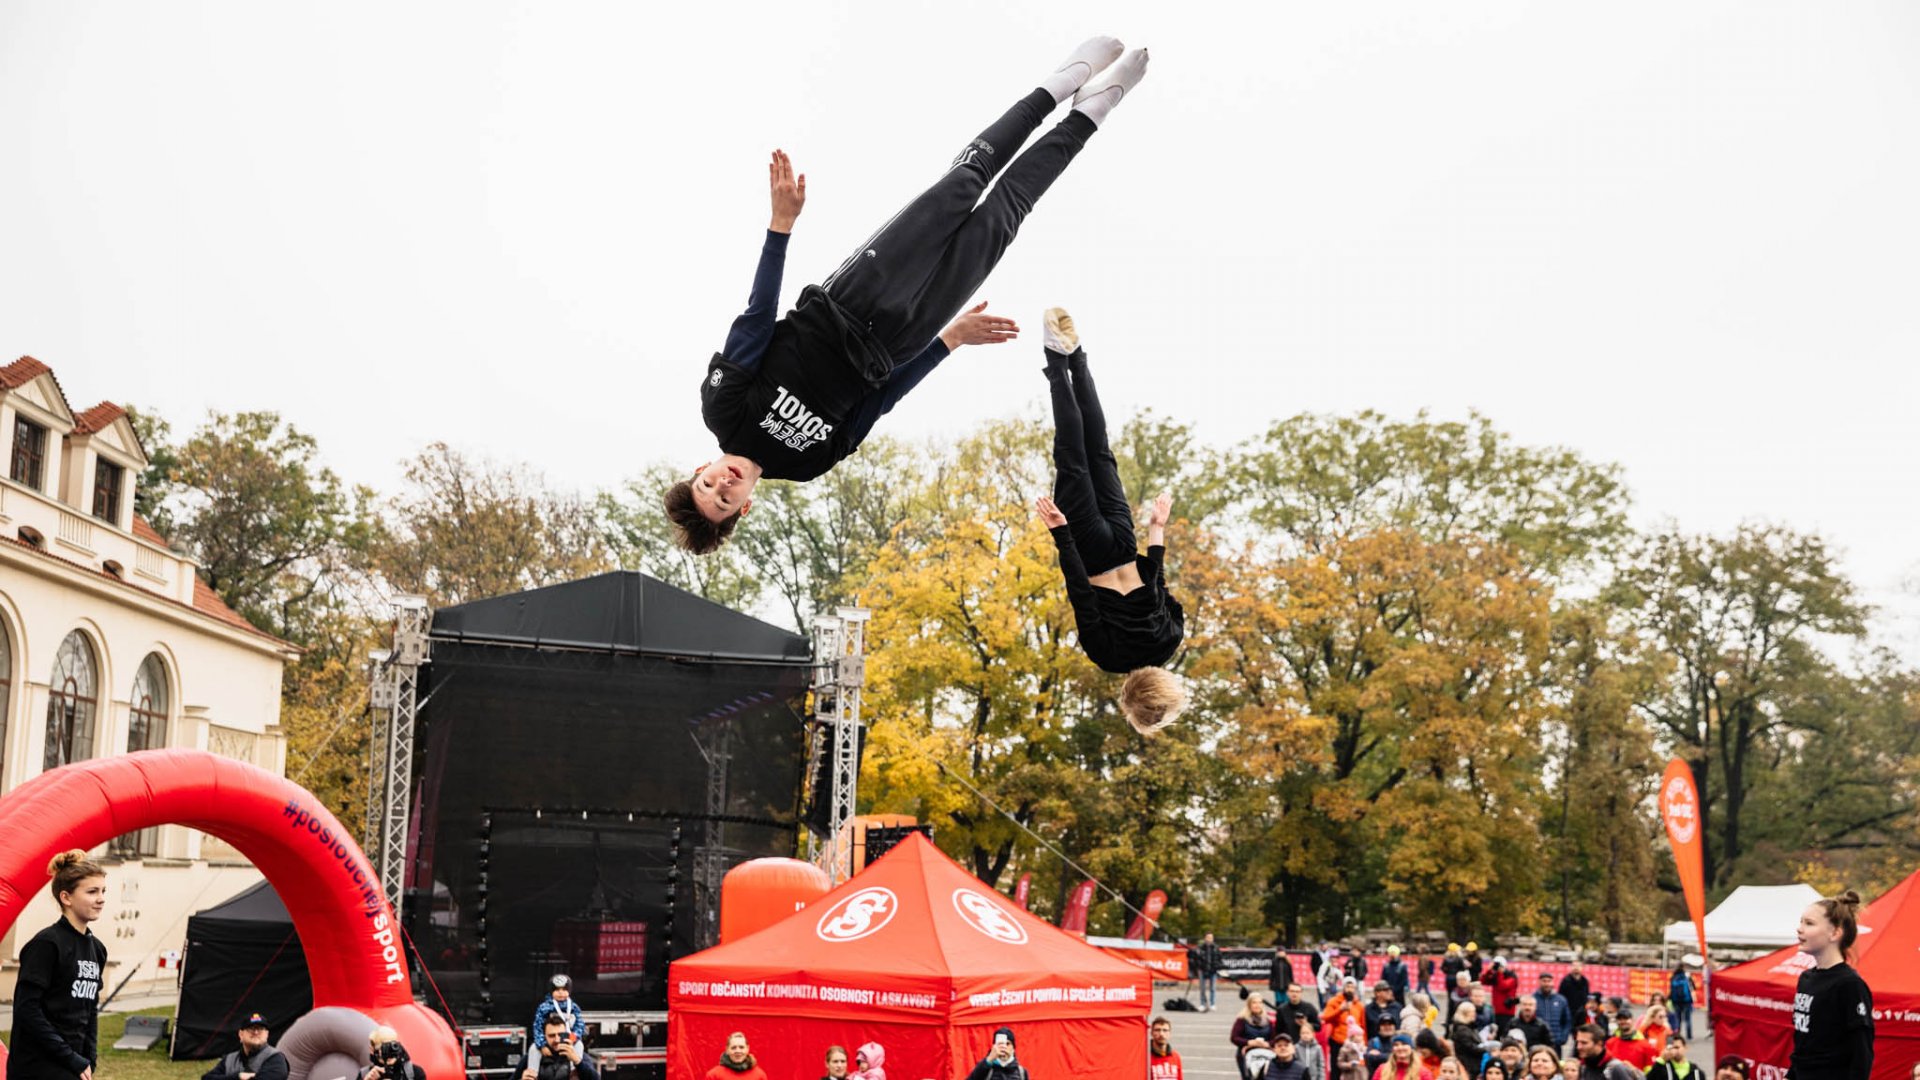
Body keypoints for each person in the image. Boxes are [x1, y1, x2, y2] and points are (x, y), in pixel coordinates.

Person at [673, 38, 1151, 553]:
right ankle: (1094, 112)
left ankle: (1058, 86)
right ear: (744, 505)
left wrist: (780, 227)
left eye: (708, 483)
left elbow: (758, 315)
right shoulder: (805, 465)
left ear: (704, 467)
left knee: (966, 181)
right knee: (1002, 217)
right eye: (724, 500)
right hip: (906, 336)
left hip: (854, 297)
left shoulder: (723, 411)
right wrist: (949, 341)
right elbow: (881, 399)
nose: (722, 485)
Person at [1033, 308, 1188, 694]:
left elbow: (1158, 583)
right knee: (1073, 453)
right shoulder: (1106, 656)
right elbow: (1080, 592)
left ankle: (1078, 357)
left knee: (1099, 451)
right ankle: (1056, 359)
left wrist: (1156, 528)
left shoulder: (1171, 640)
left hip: (1123, 541)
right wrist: (1061, 534)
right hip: (1089, 547)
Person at [7, 850, 108, 1080]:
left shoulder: (98, 949)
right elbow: (27, 1010)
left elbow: (89, 1009)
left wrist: (89, 1057)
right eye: (92, 891)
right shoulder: (47, 944)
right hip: (37, 1066)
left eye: (103, 891)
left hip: (73, 1065)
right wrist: (69, 1057)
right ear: (66, 897)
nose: (101, 898)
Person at [1788, 889, 1874, 1080]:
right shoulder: (1806, 979)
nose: (1800, 929)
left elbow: (1862, 1053)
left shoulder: (1850, 985)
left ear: (1835, 933)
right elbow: (1804, 1043)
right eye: (1801, 922)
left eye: (1809, 923)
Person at [202, 1014, 289, 1080]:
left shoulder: (276, 1058)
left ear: (267, 1034)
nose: (255, 1032)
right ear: (241, 1034)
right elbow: (206, 1078)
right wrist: (239, 1076)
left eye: (260, 1029)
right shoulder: (230, 1059)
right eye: (251, 1028)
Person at [522, 1014, 598, 1080]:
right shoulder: (533, 1054)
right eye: (551, 1036)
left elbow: (595, 1078)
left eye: (560, 1034)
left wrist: (577, 1062)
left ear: (567, 1034)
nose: (557, 1040)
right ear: (544, 1037)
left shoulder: (578, 1054)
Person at [531, 974, 587, 1056]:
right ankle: (533, 1069)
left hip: (569, 1039)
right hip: (549, 1041)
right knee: (533, 1049)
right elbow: (537, 1027)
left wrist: (572, 1039)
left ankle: (574, 1067)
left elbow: (579, 1025)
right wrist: (542, 1045)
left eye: (564, 989)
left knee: (579, 1046)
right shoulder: (544, 1007)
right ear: (551, 991)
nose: (561, 993)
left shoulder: (573, 1007)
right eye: (557, 990)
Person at [1234, 994, 1283, 1080]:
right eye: (1254, 1003)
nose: (1257, 1005)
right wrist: (1249, 1042)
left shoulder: (1267, 1020)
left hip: (1265, 1054)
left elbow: (1274, 1038)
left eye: (1260, 1003)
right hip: (1247, 1053)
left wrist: (1267, 1044)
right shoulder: (1242, 1020)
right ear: (1249, 1004)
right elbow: (1234, 1037)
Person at [1573, 1024, 1640, 1080]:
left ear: (1599, 1043)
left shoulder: (1615, 1068)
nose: (1578, 1047)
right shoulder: (1583, 1067)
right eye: (1577, 1042)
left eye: (1584, 1043)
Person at [360, 1027, 427, 1080]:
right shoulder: (365, 1074)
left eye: (393, 1046)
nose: (390, 1052)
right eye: (384, 1048)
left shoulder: (414, 1073)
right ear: (372, 1050)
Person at [1324, 981, 1368, 1058]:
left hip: (1355, 1043)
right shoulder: (1334, 1001)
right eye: (1348, 987)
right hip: (1337, 1040)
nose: (1350, 989)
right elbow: (1326, 1018)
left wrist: (1364, 1042)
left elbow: (1363, 1025)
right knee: (1336, 1067)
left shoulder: (1359, 1005)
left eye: (1352, 987)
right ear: (1343, 988)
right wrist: (1340, 1010)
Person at [965, 1027, 1029, 1080]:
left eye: (1007, 1044)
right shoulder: (984, 1069)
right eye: (1000, 1044)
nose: (1004, 1047)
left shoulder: (1022, 1073)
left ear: (1013, 1048)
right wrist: (989, 1059)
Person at [703, 1032, 768, 1080]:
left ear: (747, 1049)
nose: (738, 1051)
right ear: (727, 1050)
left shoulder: (759, 1076)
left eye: (741, 1047)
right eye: (733, 1048)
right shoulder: (713, 1076)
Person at [1534, 974, 1574, 1051]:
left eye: (1549, 981)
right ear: (1539, 982)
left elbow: (1567, 1021)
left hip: (1556, 1042)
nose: (1546, 984)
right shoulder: (1533, 999)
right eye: (1544, 981)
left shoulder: (1561, 1000)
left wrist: (1563, 1037)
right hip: (1538, 1043)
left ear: (1553, 983)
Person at [1448, 1003, 1486, 1079]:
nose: (1475, 1014)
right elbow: (1470, 1048)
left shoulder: (1469, 1027)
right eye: (1472, 1012)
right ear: (1465, 1014)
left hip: (1472, 1063)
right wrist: (1487, 1049)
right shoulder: (1462, 1030)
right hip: (1468, 1065)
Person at [1194, 932, 1224, 1011]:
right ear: (1205, 938)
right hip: (1202, 970)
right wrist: (1199, 966)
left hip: (1213, 970)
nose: (1209, 939)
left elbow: (1220, 958)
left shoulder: (1216, 948)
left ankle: (1212, 1004)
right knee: (1202, 988)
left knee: (1212, 988)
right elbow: (1195, 958)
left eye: (1211, 938)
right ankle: (1202, 1004)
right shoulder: (1200, 948)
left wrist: (1217, 966)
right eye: (1208, 937)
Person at [1295, 1015, 1329, 1080]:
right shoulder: (1297, 1047)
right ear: (1300, 1034)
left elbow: (1321, 1065)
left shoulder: (1318, 1048)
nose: (1305, 1035)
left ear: (1313, 1034)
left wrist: (1321, 1078)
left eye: (1307, 1033)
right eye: (1303, 1033)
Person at [1666, 968, 1695, 1041]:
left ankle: (1677, 1034)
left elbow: (1671, 990)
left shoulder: (1673, 978)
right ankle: (1689, 1036)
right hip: (1687, 1001)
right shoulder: (1687, 977)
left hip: (1676, 1001)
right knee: (1688, 1019)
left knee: (1678, 1018)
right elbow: (1693, 987)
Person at [1151, 1016, 1184, 1080]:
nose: (1161, 1034)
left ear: (1169, 1033)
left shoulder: (1176, 1057)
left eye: (1165, 1030)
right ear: (1152, 1033)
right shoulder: (1146, 1057)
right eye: (1157, 1030)